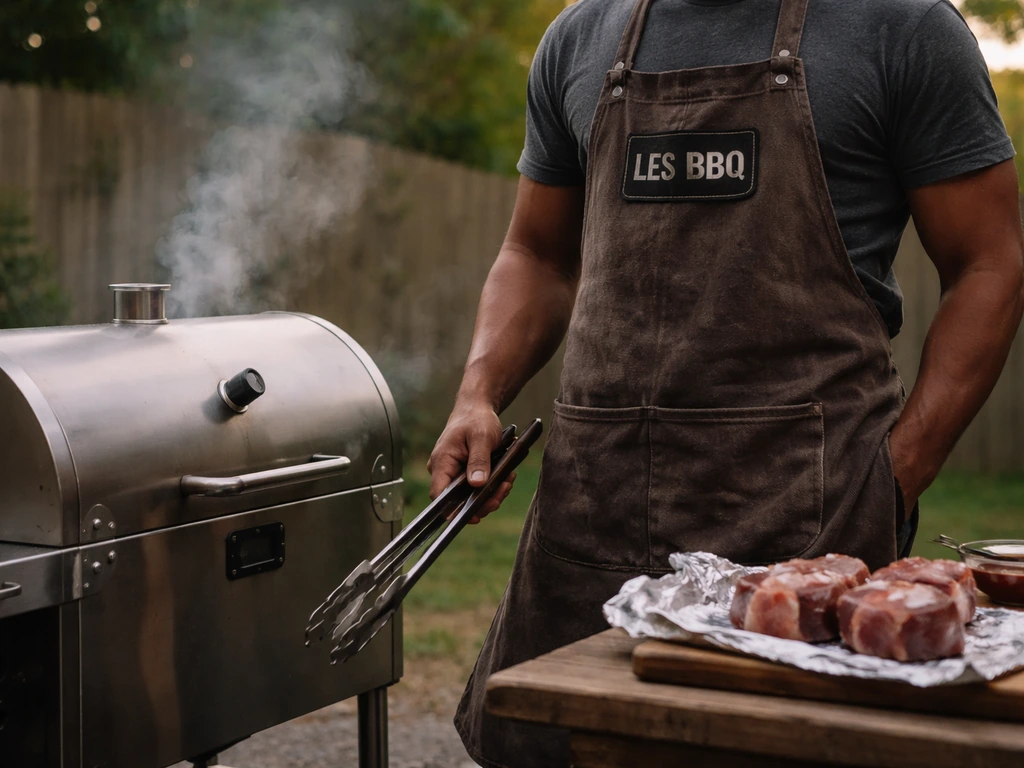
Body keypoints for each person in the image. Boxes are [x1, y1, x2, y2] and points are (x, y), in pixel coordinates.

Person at [428, 0, 1024, 765]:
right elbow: (537, 255)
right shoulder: (579, 37)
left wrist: (898, 475)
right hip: (593, 512)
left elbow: (990, 264)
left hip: (808, 521)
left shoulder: (902, 29)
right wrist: (477, 395)